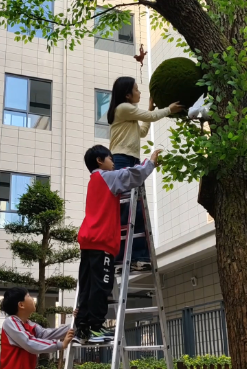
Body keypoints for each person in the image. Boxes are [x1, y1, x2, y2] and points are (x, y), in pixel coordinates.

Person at [75, 145, 162, 344]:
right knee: (101, 285)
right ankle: (96, 327)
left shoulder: (93, 181)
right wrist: (150, 163)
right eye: (110, 158)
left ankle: (82, 328)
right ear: (100, 160)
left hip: (88, 240)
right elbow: (133, 175)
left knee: (87, 286)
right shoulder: (108, 176)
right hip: (101, 241)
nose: (113, 162)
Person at [107, 76, 184, 273]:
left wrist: (150, 110)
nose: (139, 93)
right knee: (130, 211)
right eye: (136, 89)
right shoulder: (123, 108)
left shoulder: (128, 113)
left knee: (134, 209)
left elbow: (141, 132)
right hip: (122, 160)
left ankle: (130, 258)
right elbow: (149, 118)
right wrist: (168, 110)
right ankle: (128, 258)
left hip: (129, 160)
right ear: (127, 94)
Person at [0, 287, 74, 369]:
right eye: (29, 296)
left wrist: (75, 324)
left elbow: (47, 334)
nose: (32, 299)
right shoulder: (10, 322)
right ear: (21, 305)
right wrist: (60, 345)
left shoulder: (30, 324)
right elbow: (29, 342)